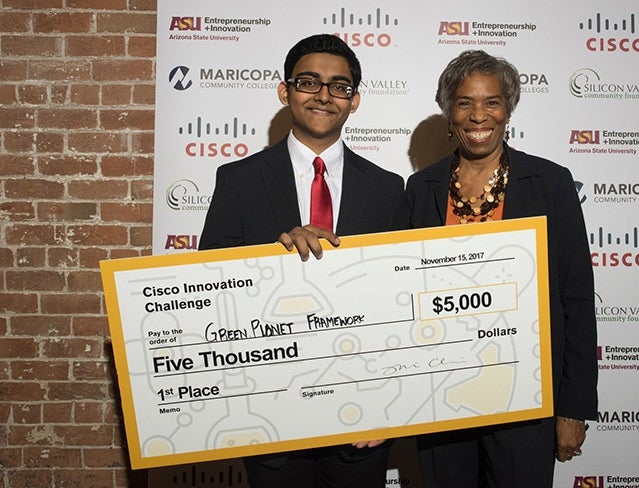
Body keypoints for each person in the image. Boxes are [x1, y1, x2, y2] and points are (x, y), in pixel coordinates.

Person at [199, 33, 408, 487]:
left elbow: (402, 306)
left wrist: (390, 404)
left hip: (361, 419)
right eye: (309, 82)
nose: (324, 95)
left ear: (354, 101)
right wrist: (272, 262)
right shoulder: (237, 180)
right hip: (270, 416)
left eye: (340, 86)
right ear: (285, 91)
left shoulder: (389, 189)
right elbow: (209, 290)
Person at [405, 50, 598, 487]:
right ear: (448, 111)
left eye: (491, 102)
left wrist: (573, 407)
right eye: (464, 102)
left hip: (525, 397)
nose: (478, 116)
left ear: (507, 109)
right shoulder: (420, 189)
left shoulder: (550, 183)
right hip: (440, 396)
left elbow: (576, 299)